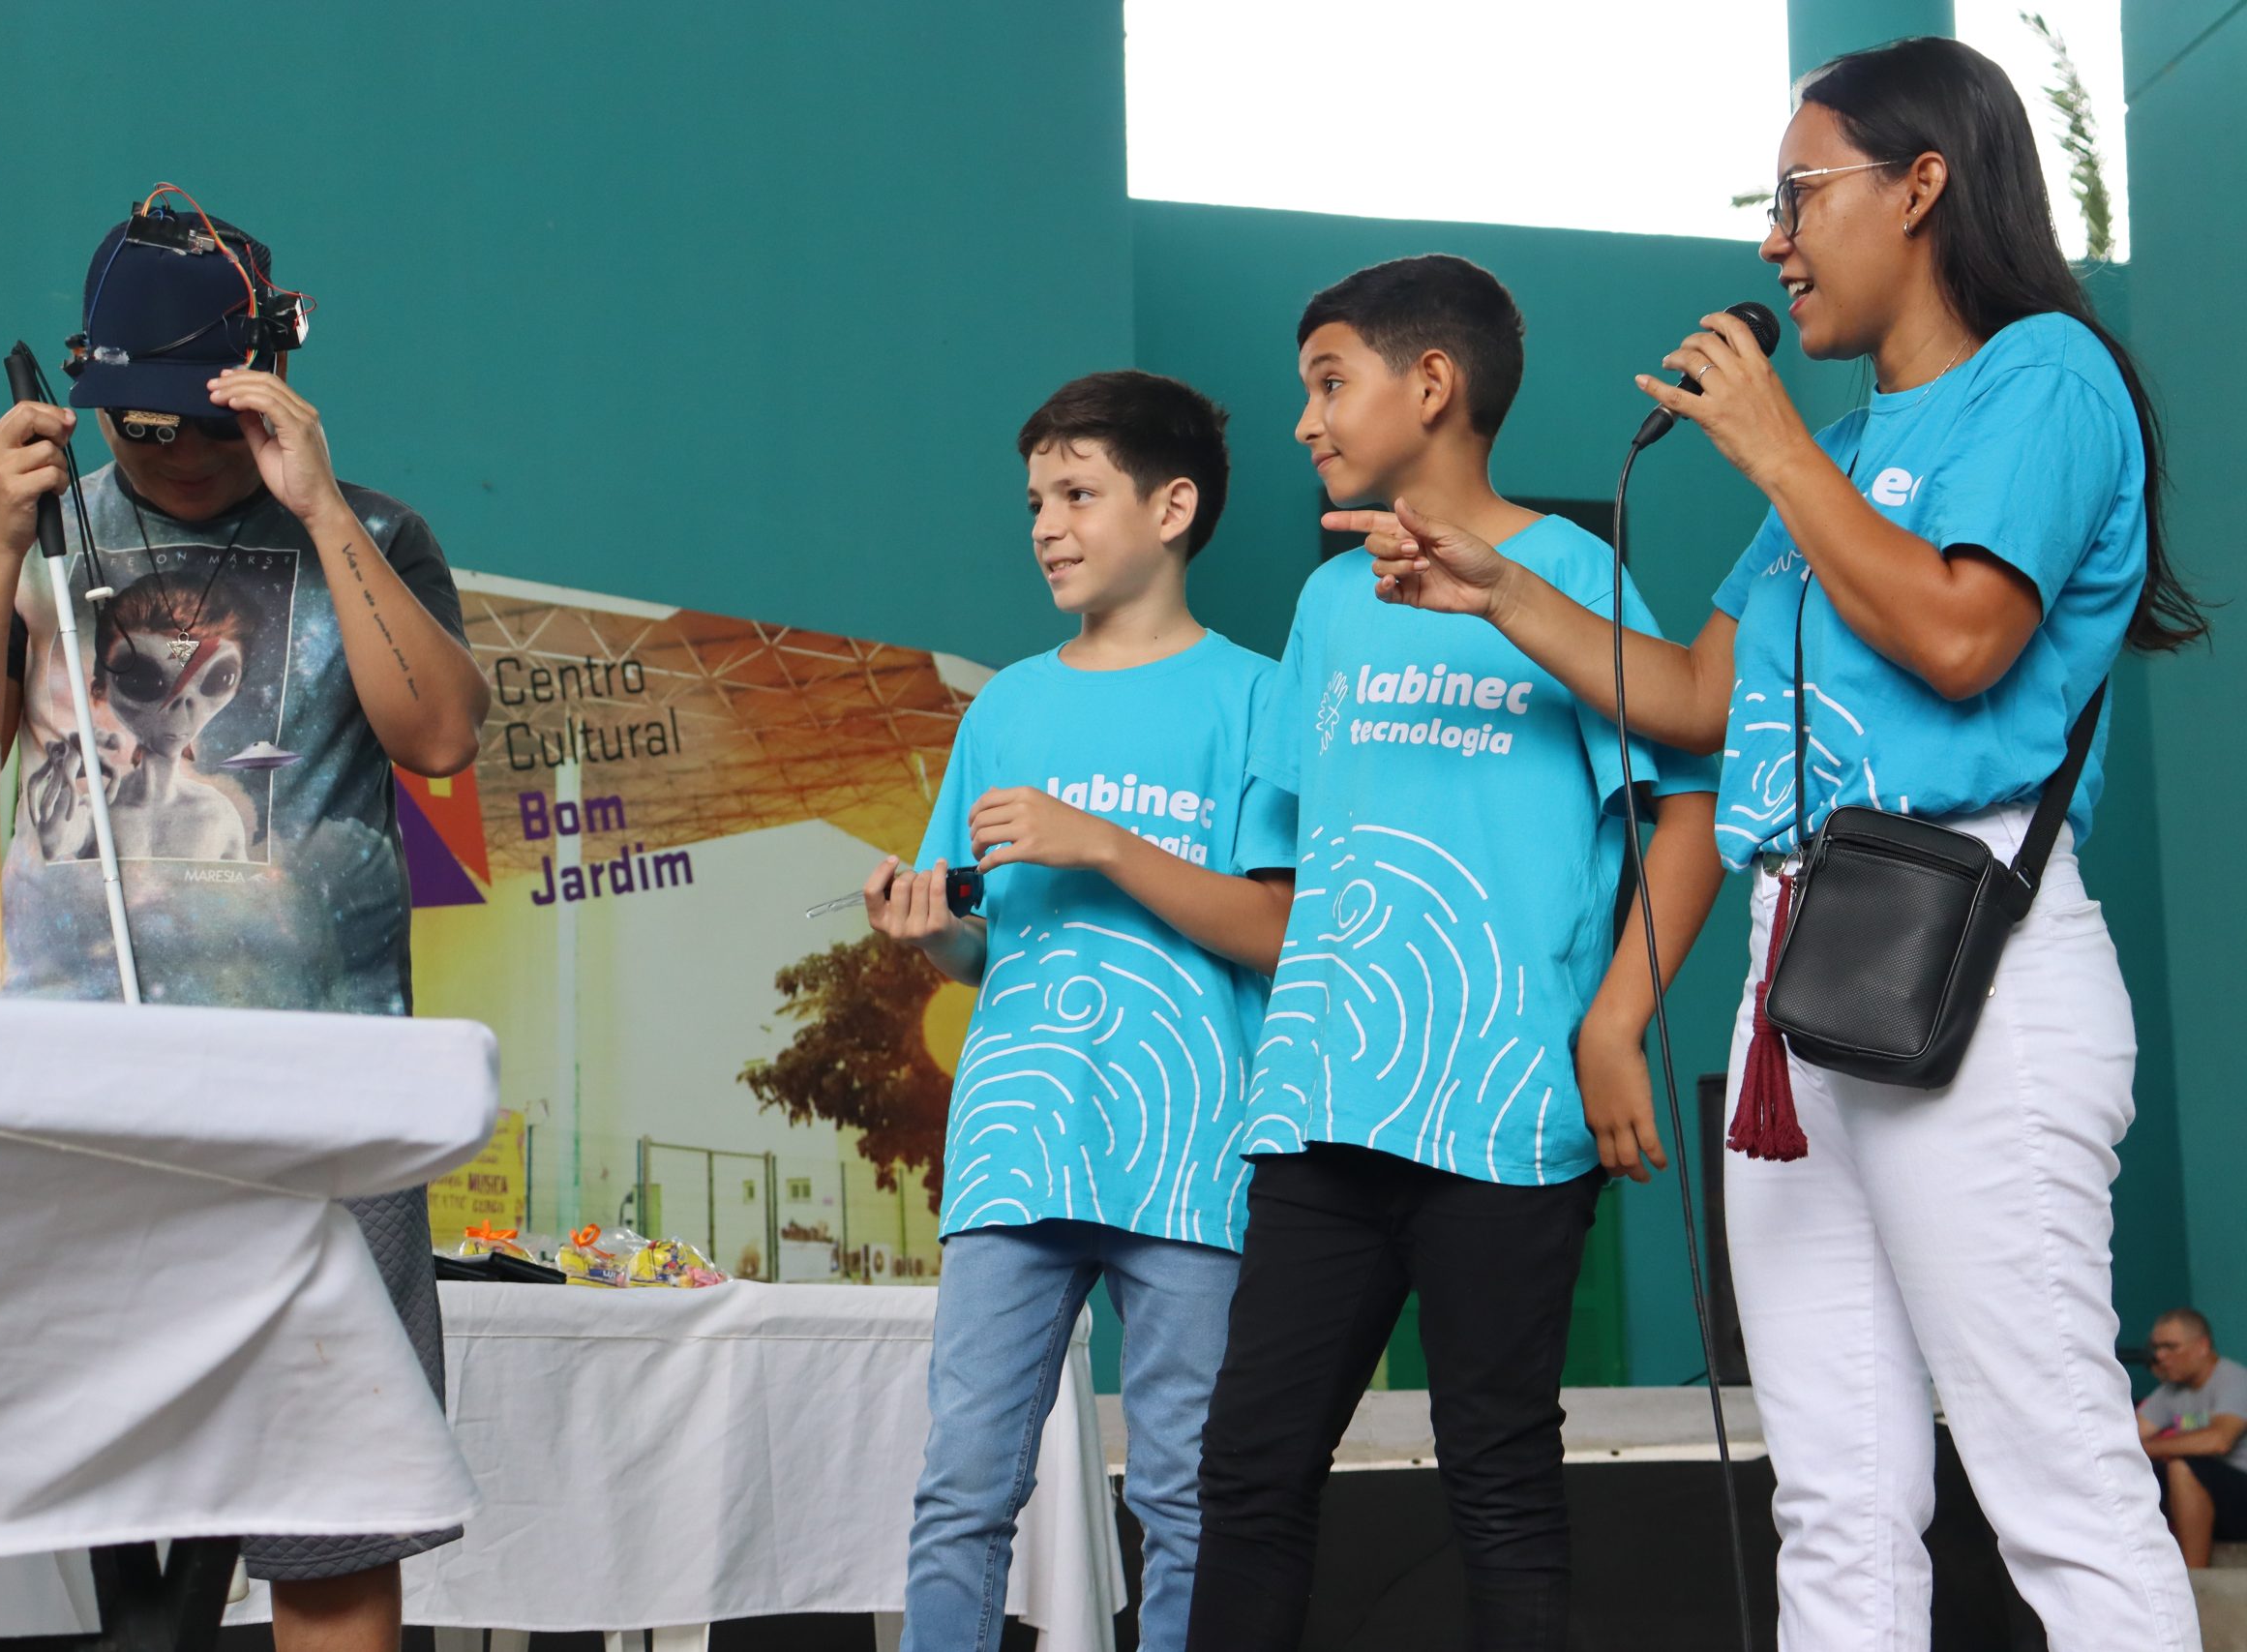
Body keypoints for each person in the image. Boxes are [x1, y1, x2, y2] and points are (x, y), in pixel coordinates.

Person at [1357, 38, 2208, 1650]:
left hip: (1971, 967)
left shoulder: (2045, 379)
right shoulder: (1837, 458)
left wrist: (1781, 452)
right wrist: (1501, 589)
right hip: (1798, 981)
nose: (1774, 241)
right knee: (1830, 1490)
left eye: (1801, 194)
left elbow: (1965, 638)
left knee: (2058, 1485)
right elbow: (1691, 695)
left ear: (1925, 186)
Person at [0, 192, 491, 1652]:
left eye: (203, 421)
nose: (176, 455)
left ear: (266, 380)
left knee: (329, 1519)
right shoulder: (42, 536)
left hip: (317, 1096)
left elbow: (445, 736)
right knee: (84, 1517)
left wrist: (324, 502)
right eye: (140, 425)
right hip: (77, 1094)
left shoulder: (378, 529)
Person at [1184, 255, 1722, 1652]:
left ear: (1433, 385)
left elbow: (1693, 801)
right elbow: (1289, 875)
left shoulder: (1576, 574)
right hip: (1319, 1107)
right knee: (1247, 1471)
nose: (1304, 418)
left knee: (1499, 1482)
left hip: (1507, 1111)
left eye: (1329, 380)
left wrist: (1613, 1022)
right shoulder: (1324, 608)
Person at [868, 370, 1296, 1652]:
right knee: (963, 1489)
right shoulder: (1007, 704)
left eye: (1077, 492)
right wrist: (937, 931)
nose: (1047, 522)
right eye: (1036, 499)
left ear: (1173, 507)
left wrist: (1102, 841)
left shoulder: (1258, 696)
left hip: (1194, 1152)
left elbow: (1276, 927)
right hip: (1014, 1144)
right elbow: (979, 944)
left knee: (1184, 1492)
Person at [2142, 1308, 2247, 1568]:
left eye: (2170, 1347)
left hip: (2240, 1494)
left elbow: (2218, 1440)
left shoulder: (2234, 1380)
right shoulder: (2170, 1392)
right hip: (2210, 1502)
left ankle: (2194, 1579)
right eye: (2157, 1347)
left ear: (2202, 1346)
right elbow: (2130, 1437)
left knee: (2181, 1465)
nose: (2160, 1356)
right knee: (2137, 1468)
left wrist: (2152, 1448)